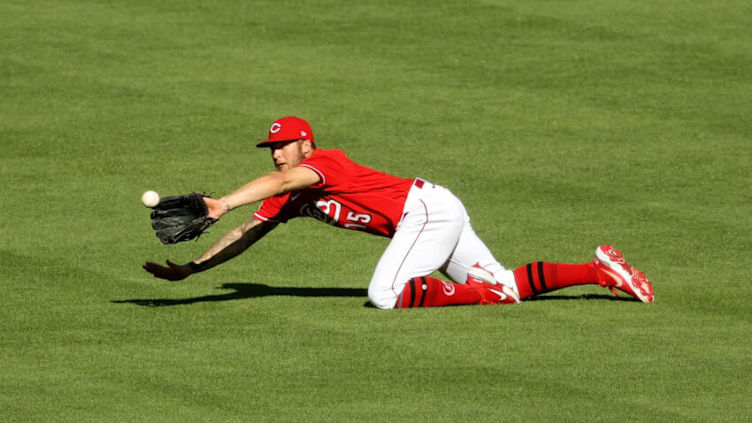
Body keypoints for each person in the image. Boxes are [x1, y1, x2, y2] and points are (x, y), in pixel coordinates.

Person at [143, 116, 654, 309]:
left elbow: (276, 183)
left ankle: (486, 296)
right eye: (270, 148)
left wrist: (222, 200)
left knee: (385, 295)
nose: (276, 154)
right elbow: (247, 234)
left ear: (306, 144)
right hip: (434, 209)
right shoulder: (286, 194)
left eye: (284, 145)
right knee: (507, 282)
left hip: (426, 211)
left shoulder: (325, 163)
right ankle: (600, 270)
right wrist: (193, 270)